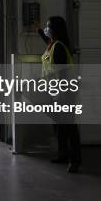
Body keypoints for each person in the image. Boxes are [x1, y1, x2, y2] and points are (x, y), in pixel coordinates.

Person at [36, 16, 82, 173]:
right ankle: (63, 154)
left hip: (65, 92)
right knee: (59, 126)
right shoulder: (52, 44)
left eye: (49, 26)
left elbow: (63, 73)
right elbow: (46, 41)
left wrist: (61, 94)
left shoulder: (60, 47)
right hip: (54, 91)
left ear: (56, 29)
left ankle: (75, 160)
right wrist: (38, 30)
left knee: (69, 127)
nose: (47, 28)